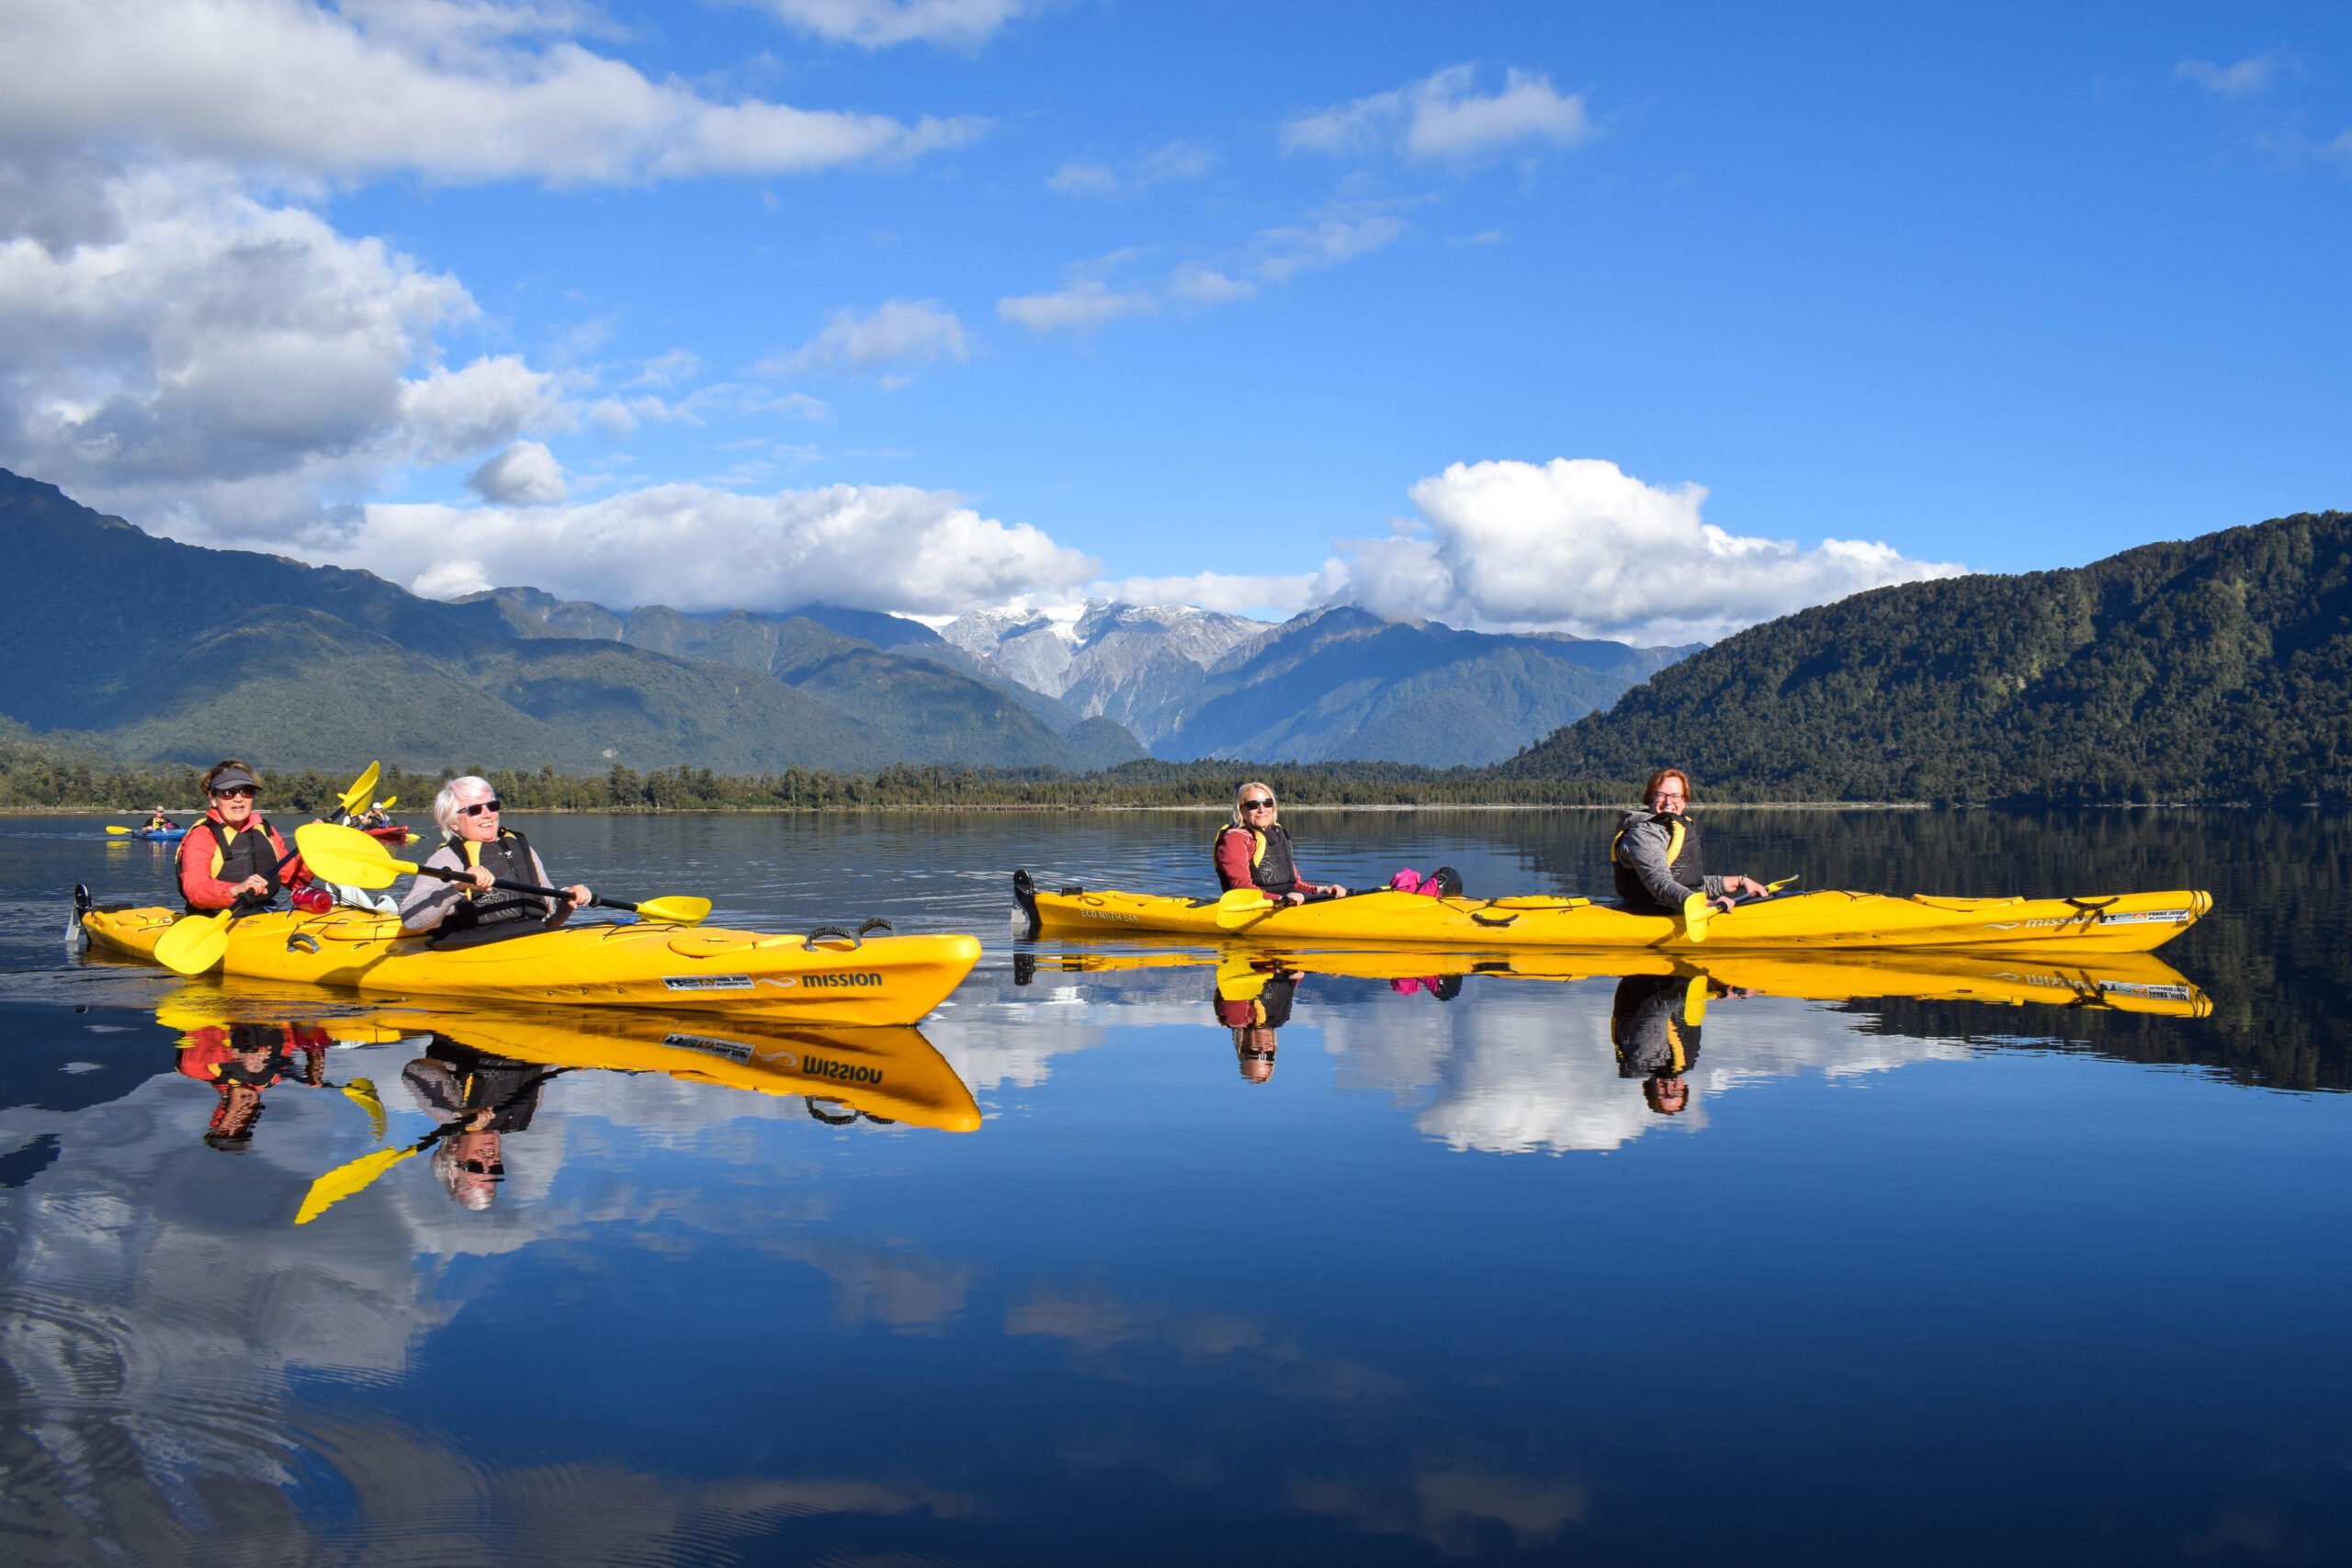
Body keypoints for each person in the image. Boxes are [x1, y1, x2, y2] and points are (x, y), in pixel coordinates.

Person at [399, 776, 591, 945]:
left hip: (531, 939)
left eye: (492, 806)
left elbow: (550, 918)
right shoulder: (446, 859)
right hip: (474, 947)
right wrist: (458, 886)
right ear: (453, 824)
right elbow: (412, 921)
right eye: (474, 810)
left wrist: (566, 899)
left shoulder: (522, 850)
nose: (488, 814)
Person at [401, 1035, 559, 1210]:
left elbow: (415, 1070)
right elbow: (545, 1064)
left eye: (475, 1166)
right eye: (495, 1169)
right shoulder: (525, 1112)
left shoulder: (446, 1113)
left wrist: (459, 1112)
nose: (489, 1161)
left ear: (452, 1152)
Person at [1611, 768, 1767, 916]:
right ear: (1650, 799)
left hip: (1672, 907)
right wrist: (1708, 903)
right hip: (1647, 914)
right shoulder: (1643, 835)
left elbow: (1689, 883)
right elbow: (1661, 884)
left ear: (1684, 801)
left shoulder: (1670, 828)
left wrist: (1740, 881)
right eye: (1660, 795)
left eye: (1676, 796)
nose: (1668, 801)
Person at [175, 761, 316, 915]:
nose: (238, 799)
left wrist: (312, 848)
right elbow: (195, 890)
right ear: (213, 798)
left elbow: (295, 881)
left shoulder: (265, 831)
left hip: (262, 917)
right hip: (215, 919)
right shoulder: (202, 836)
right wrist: (235, 890)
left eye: (246, 792)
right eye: (228, 793)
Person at [1213, 782, 1347, 906]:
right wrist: (1280, 899)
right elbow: (1241, 886)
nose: (1262, 809)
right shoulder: (1235, 839)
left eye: (1267, 803)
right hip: (1257, 905)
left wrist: (1323, 890)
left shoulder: (1277, 833)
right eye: (1254, 805)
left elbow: (1296, 883)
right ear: (1242, 810)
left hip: (1288, 900)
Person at [1611, 972, 1713, 1116]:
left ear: (1651, 1088)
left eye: (1663, 1094)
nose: (1670, 1087)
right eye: (1676, 1092)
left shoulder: (1643, 1058)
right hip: (1680, 980)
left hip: (1649, 975)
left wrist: (1706, 991)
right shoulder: (1686, 1062)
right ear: (1683, 1086)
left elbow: (1657, 1007)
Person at [1214, 956, 1303, 1084]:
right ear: (1274, 1050)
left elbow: (1242, 972)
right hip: (1281, 956)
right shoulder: (1280, 1017)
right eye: (1269, 1055)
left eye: (1254, 1053)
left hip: (1252, 954)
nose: (1263, 1049)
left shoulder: (1234, 1017)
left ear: (1243, 1047)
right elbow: (1295, 978)